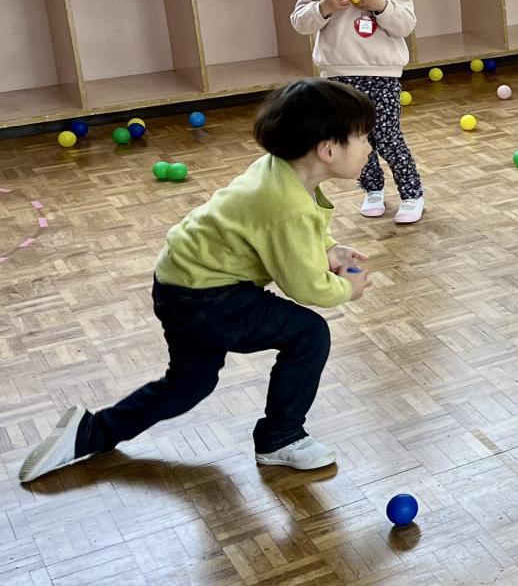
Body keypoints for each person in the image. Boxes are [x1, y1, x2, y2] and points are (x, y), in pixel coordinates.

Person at [19, 79, 376, 484]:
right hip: (208, 296)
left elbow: (294, 235)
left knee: (189, 385)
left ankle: (90, 432)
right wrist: (347, 288)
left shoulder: (280, 171)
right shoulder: (287, 206)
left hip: (181, 281)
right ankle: (280, 438)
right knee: (309, 334)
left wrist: (329, 249)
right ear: (327, 150)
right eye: (363, 138)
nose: (369, 147)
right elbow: (305, 286)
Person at [290, 0, 423, 223]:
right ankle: (372, 190)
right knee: (353, 140)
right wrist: (323, 7)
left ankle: (411, 194)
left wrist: (379, 5)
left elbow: (405, 25)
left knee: (388, 138)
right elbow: (300, 23)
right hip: (337, 76)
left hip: (382, 76)